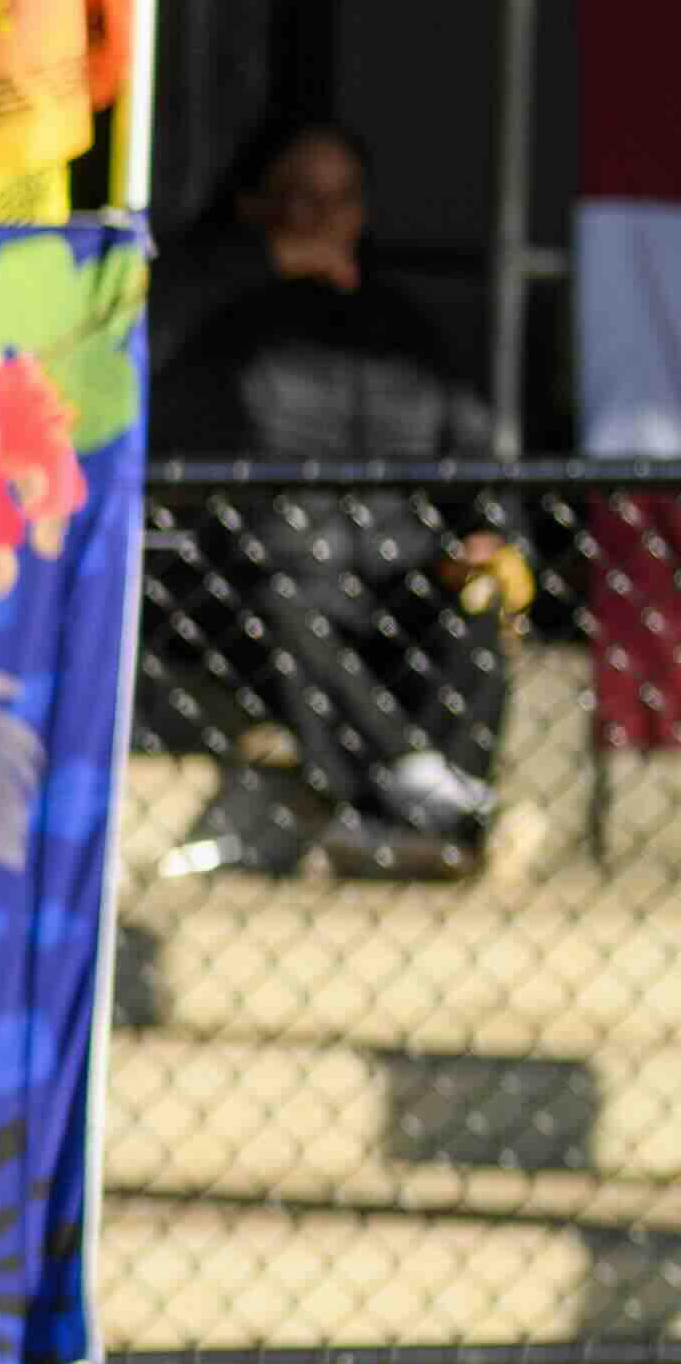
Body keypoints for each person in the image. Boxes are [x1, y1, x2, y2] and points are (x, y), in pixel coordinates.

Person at [147, 115, 516, 883]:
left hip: (399, 570)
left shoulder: (402, 326)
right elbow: (139, 336)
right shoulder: (213, 310)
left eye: (339, 198)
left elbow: (476, 449)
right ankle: (422, 793)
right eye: (297, 196)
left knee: (481, 596)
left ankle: (426, 794)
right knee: (284, 603)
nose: (319, 217)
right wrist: (260, 264)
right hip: (265, 576)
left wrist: (491, 536)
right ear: (251, 203)